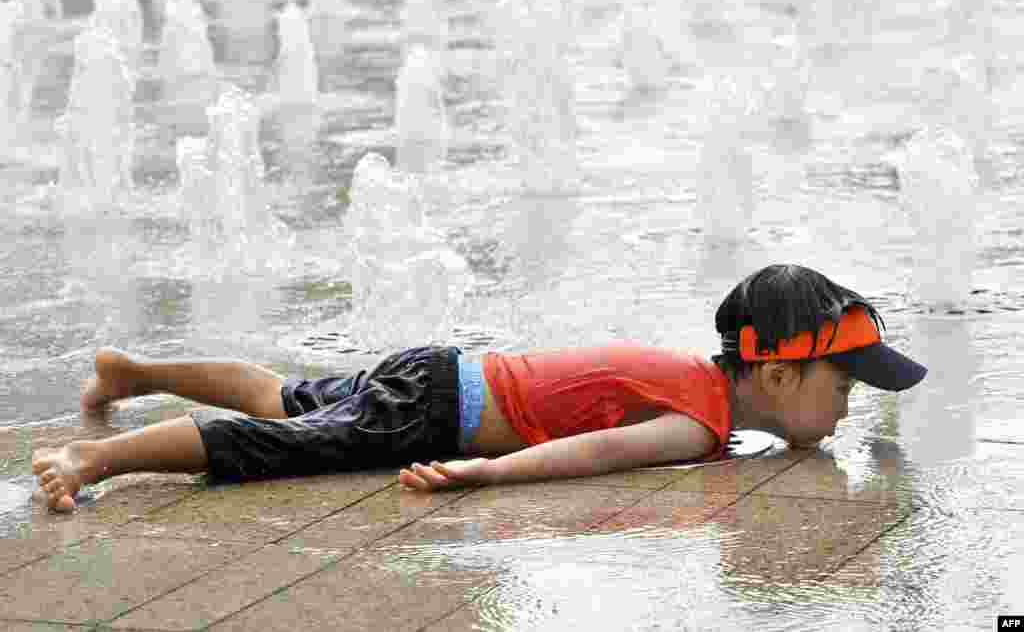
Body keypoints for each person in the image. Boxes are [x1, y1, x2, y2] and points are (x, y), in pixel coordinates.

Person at [32, 264, 927, 512]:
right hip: (438, 409)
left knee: (283, 396)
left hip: (445, 370)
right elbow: (591, 452)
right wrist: (485, 476)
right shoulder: (697, 421)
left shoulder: (699, 381)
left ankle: (130, 370)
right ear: (776, 371)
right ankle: (93, 458)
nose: (851, 404)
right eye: (843, 384)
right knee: (282, 443)